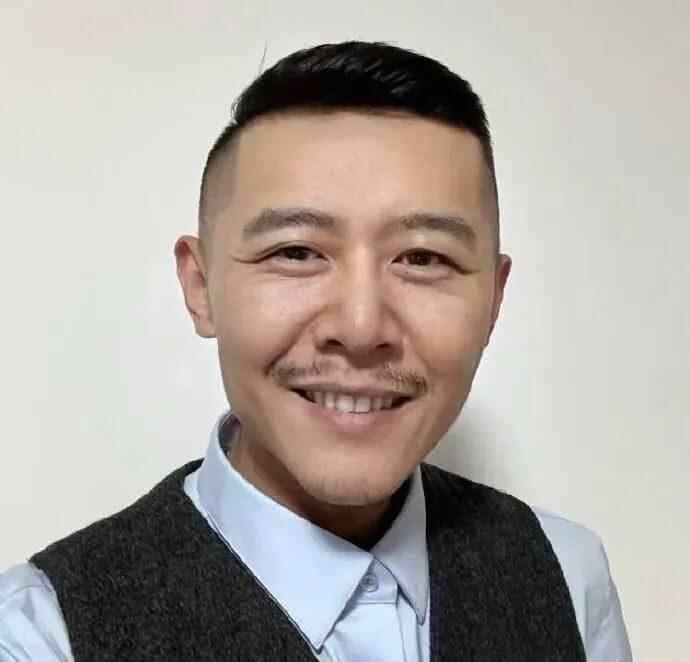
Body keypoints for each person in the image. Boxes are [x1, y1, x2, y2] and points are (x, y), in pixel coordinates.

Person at [0, 40, 633, 661]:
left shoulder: (568, 575)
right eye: (296, 252)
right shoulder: (41, 635)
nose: (360, 328)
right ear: (200, 287)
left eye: (422, 258)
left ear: (494, 299)